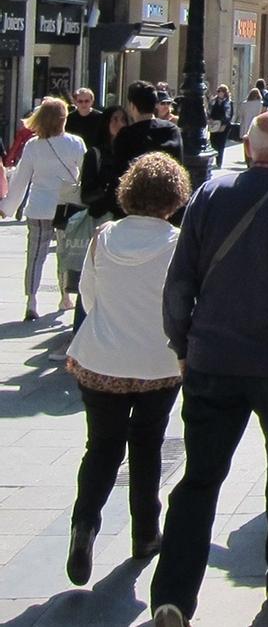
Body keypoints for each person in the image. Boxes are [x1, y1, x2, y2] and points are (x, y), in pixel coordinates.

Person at [150, 112, 268, 625]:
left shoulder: (208, 195)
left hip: (212, 360)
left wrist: (182, 343)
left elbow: (179, 280)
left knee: (199, 478)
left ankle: (173, 594)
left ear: (249, 149)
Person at [63, 153, 192, 586]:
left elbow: (88, 299)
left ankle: (84, 524)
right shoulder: (178, 243)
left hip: (102, 357)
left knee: (100, 446)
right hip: (157, 361)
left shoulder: (103, 237)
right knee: (148, 444)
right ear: (174, 198)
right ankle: (145, 530)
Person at [0, 98, 87, 320]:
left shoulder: (32, 146)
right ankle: (65, 296)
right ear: (63, 119)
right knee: (64, 254)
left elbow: (21, 180)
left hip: (38, 207)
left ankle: (31, 300)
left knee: (35, 255)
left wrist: (7, 207)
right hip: (66, 207)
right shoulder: (75, 143)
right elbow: (85, 175)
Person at [112, 81, 184, 181]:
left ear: (132, 106)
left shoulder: (126, 135)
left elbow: (119, 173)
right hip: (167, 192)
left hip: (135, 194)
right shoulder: (171, 130)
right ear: (154, 104)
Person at [208, 85, 234, 169]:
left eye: (221, 91)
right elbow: (209, 111)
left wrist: (224, 124)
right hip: (214, 124)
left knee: (221, 143)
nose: (219, 93)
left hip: (224, 125)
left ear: (225, 93)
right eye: (218, 91)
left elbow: (229, 115)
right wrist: (210, 118)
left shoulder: (228, 102)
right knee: (213, 141)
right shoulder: (213, 101)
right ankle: (215, 157)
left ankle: (219, 162)